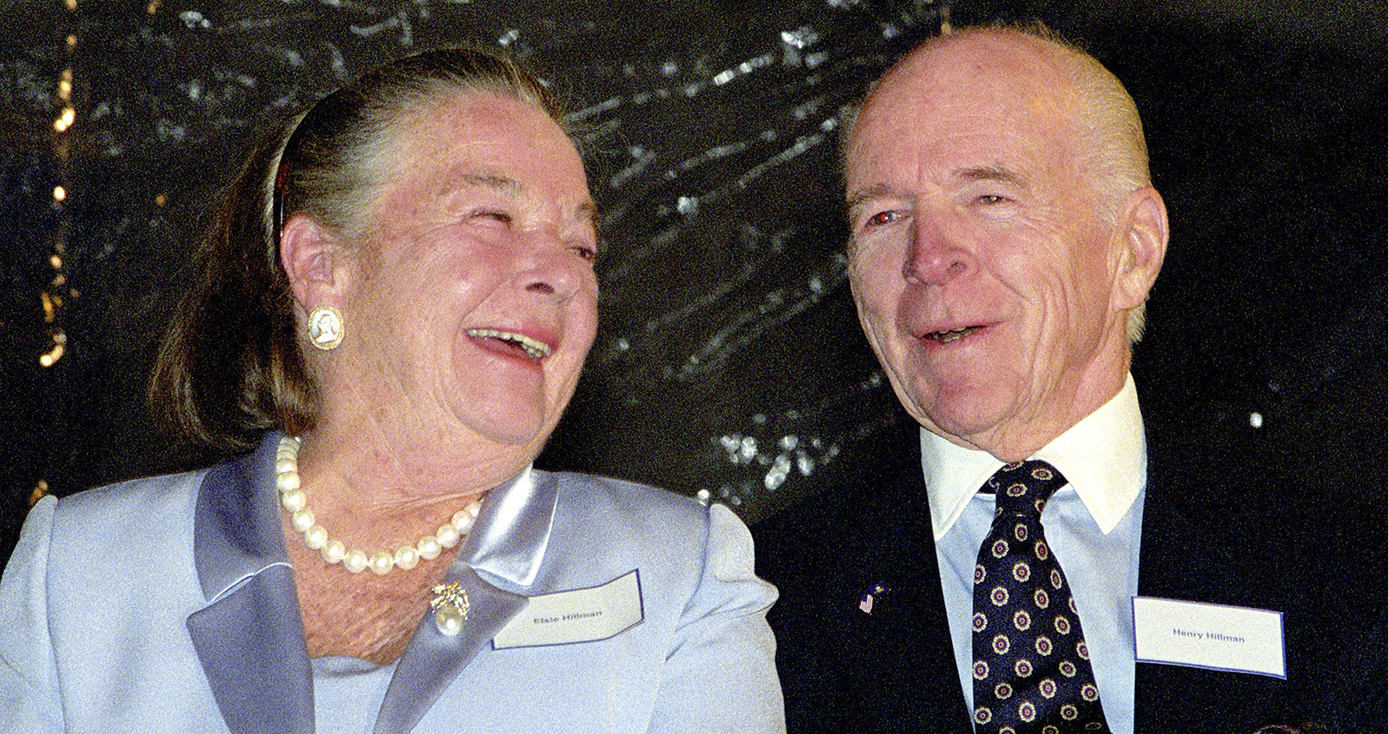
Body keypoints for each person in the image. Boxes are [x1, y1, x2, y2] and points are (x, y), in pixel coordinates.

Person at [0, 48, 783, 734]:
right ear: (319, 265)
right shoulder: (78, 576)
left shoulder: (675, 578)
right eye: (491, 215)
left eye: (582, 244)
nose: (562, 272)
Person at [754, 23, 1388, 734]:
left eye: (989, 197)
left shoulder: (1346, 579)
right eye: (884, 215)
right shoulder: (754, 604)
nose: (927, 257)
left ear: (1134, 251)